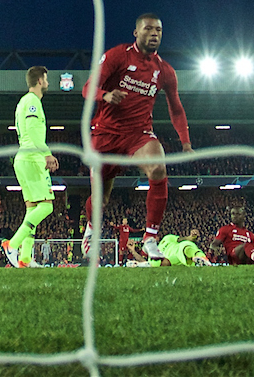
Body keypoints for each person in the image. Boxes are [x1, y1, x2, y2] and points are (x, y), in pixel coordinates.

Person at [80, 14, 193, 261]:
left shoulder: (164, 70)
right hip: (105, 134)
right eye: (149, 29)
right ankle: (91, 228)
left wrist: (185, 141)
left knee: (158, 169)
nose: (154, 34)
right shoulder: (117, 55)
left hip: (138, 134)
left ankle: (150, 238)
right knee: (102, 197)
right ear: (136, 32)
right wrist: (105, 95)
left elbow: (176, 108)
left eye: (159, 30)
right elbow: (87, 87)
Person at [3, 66, 60, 268]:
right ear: (39, 81)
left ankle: (25, 258)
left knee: (32, 209)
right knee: (47, 205)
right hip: (32, 156)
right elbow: (34, 131)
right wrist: (46, 154)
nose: (48, 83)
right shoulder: (33, 101)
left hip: (22, 157)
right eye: (46, 79)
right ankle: (13, 244)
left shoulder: (22, 103)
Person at [126, 229, 211, 267]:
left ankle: (202, 259)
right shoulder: (154, 255)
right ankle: (140, 265)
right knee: (159, 263)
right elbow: (146, 261)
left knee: (185, 245)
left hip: (180, 251)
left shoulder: (167, 238)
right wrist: (133, 251)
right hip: (172, 260)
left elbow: (180, 239)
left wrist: (190, 237)